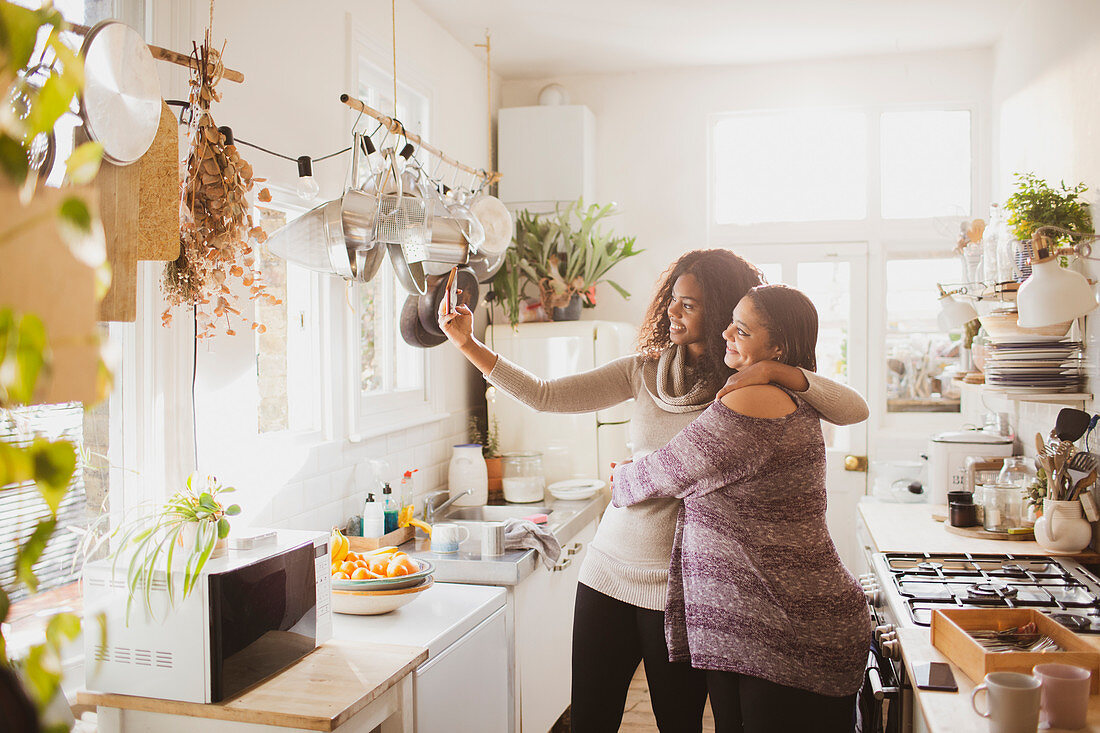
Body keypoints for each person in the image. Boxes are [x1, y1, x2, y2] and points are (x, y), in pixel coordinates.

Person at [438, 250, 868, 733]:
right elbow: (546, 394)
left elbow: (853, 408)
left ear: (726, 311)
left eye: (690, 304)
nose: (673, 312)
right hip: (608, 569)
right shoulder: (644, 370)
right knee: (590, 718)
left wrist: (779, 372)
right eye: (673, 300)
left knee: (677, 722)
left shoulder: (746, 384)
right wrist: (468, 344)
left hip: (682, 589)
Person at [611, 283, 872, 733]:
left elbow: (665, 472)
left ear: (777, 347)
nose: (727, 333)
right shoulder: (787, 392)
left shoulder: (752, 400)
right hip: (772, 619)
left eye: (743, 329)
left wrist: (620, 476)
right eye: (730, 321)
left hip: (787, 623)